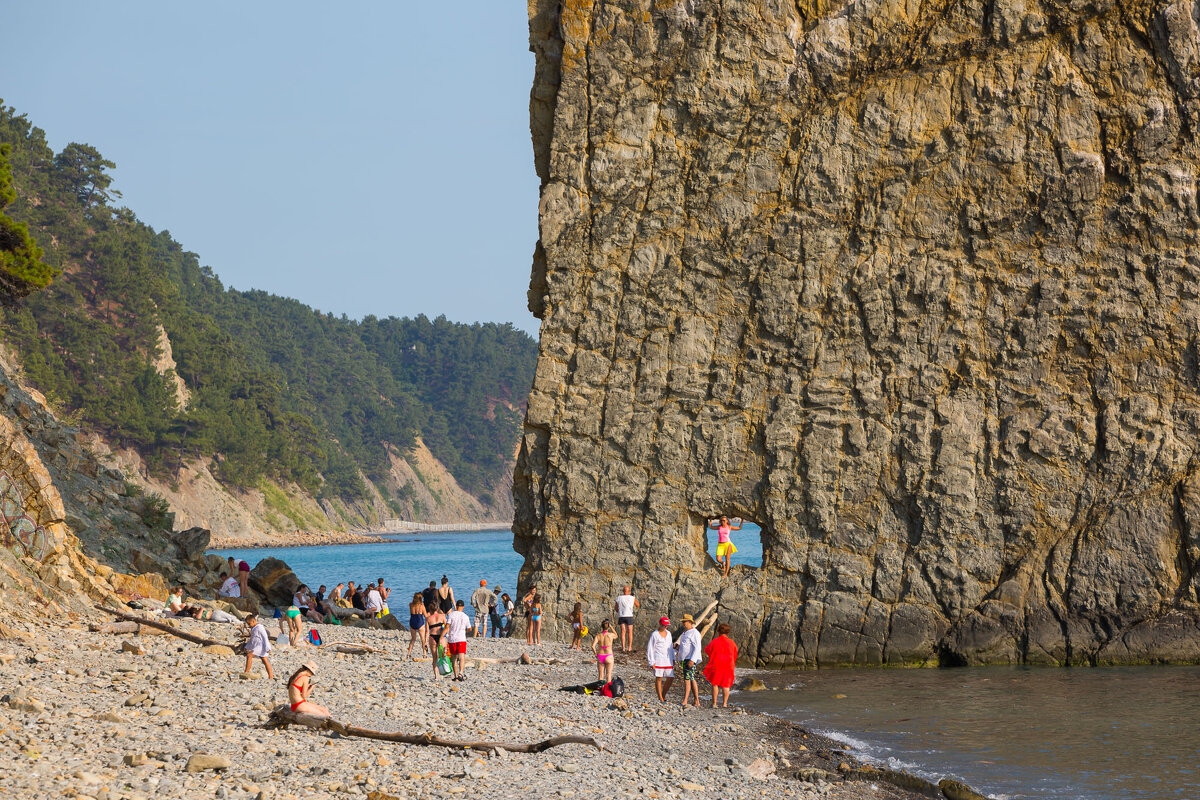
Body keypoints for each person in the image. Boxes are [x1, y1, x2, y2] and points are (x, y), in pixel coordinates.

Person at [703, 623, 738, 708]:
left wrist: (713, 656)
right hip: (728, 665)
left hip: (716, 664)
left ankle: (714, 703)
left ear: (718, 631)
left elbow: (707, 650)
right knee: (726, 685)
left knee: (715, 684)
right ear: (728, 632)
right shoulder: (731, 642)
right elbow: (735, 654)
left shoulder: (715, 641)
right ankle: (724, 704)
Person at [675, 614, 703, 708]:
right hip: (685, 658)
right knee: (691, 678)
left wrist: (692, 660)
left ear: (690, 622)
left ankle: (685, 701)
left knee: (687, 679)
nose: (683, 624)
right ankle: (696, 701)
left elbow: (697, 647)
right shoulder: (685, 633)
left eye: (685, 622)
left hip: (690, 659)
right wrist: (678, 648)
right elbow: (685, 646)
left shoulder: (694, 633)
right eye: (683, 622)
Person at [646, 616, 675, 702]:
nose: (665, 627)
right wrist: (651, 662)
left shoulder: (669, 634)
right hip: (658, 659)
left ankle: (663, 694)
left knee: (670, 678)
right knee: (659, 678)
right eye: (664, 625)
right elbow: (650, 648)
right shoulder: (654, 634)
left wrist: (673, 658)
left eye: (667, 626)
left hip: (668, 659)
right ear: (660, 624)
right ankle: (660, 697)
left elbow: (671, 647)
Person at [445, 600, 471, 681]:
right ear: (463, 607)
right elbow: (469, 628)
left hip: (452, 639)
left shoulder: (450, 615)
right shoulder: (465, 616)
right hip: (461, 638)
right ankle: (461, 673)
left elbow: (447, 626)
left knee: (454, 658)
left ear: (456, 606)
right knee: (462, 657)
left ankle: (456, 676)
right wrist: (464, 631)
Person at [243, 612, 274, 678]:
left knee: (249, 656)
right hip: (257, 646)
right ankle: (271, 676)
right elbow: (252, 639)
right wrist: (247, 646)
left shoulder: (260, 627)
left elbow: (265, 637)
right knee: (265, 660)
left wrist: (267, 647)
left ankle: (246, 672)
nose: (249, 625)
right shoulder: (254, 628)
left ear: (253, 621)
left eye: (249, 623)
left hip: (261, 646)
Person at [614, 586, 639, 653]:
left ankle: (623, 648)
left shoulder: (619, 598)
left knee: (623, 631)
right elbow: (638, 605)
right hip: (629, 616)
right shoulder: (632, 598)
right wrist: (634, 599)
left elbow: (616, 608)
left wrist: (619, 611)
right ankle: (630, 647)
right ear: (629, 591)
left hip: (621, 616)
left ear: (623, 591)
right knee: (630, 632)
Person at [425, 603, 447, 680]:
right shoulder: (442, 616)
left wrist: (425, 642)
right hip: (441, 637)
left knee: (434, 658)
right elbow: (447, 627)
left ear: (430, 610)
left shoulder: (428, 618)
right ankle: (444, 671)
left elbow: (427, 632)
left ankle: (436, 677)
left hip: (432, 637)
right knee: (442, 656)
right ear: (437, 608)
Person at [407, 593, 428, 659]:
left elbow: (411, 612)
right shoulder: (421, 606)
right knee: (423, 640)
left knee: (413, 639)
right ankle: (424, 654)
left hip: (412, 622)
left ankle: (408, 654)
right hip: (420, 623)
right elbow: (426, 616)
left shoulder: (410, 605)